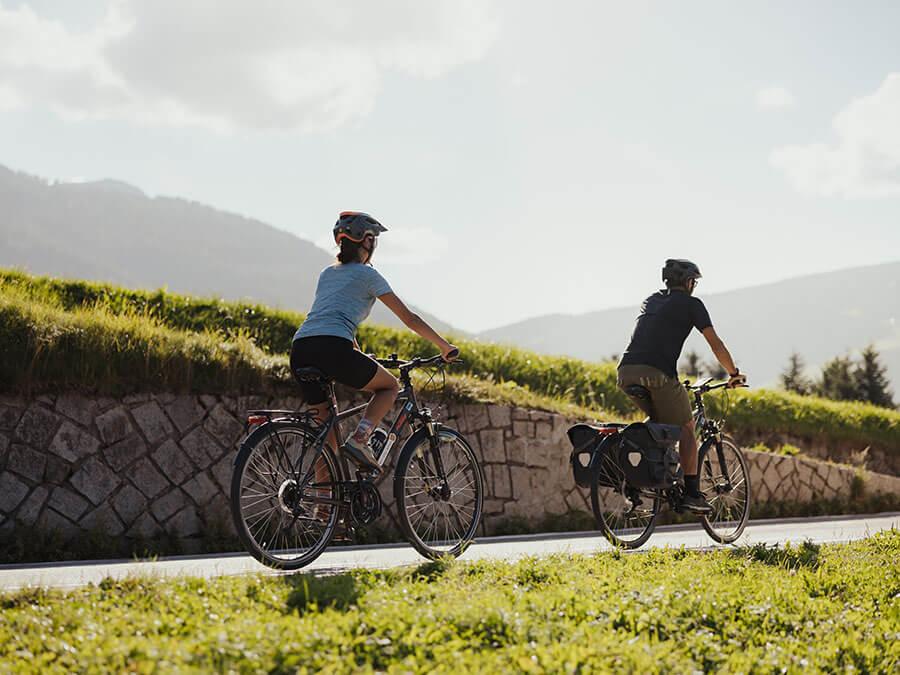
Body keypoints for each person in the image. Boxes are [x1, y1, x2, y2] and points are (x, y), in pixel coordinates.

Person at [291, 211, 458, 475]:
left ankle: (323, 507)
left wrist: (356, 352)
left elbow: (331, 317)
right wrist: (444, 346)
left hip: (301, 348)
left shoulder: (327, 273)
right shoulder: (368, 275)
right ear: (366, 241)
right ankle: (360, 440)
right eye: (374, 240)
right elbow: (409, 318)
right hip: (333, 348)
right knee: (390, 387)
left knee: (327, 439)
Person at [617, 259, 746, 512]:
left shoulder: (651, 299)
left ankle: (632, 477)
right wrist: (733, 373)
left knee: (656, 422)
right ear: (689, 283)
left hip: (625, 372)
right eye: (694, 282)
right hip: (657, 374)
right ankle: (691, 493)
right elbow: (715, 344)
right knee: (687, 426)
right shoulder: (693, 304)